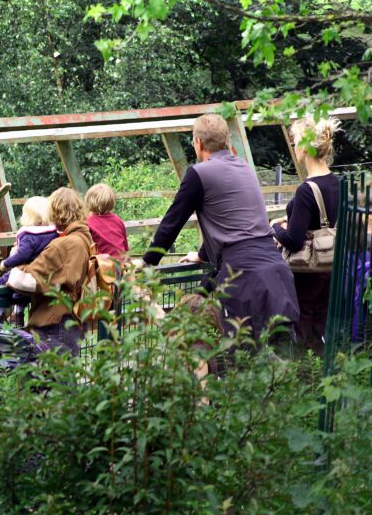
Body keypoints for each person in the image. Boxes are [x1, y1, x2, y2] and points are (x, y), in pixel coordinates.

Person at [140, 114, 300, 344]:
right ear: (227, 140)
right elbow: (234, 220)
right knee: (284, 360)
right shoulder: (244, 168)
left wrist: (148, 262)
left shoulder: (199, 173)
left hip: (244, 277)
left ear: (198, 143)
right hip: (276, 271)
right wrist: (203, 254)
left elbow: (172, 223)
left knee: (246, 359)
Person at [270, 117, 341, 355]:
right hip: (329, 268)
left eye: (295, 141)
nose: (294, 146)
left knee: (301, 331)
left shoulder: (306, 190)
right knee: (318, 330)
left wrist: (275, 228)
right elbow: (325, 222)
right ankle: (321, 380)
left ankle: (302, 382)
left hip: (306, 272)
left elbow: (293, 241)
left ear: (306, 147)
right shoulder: (336, 183)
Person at [9, 187, 95, 356]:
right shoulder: (84, 238)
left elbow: (25, 280)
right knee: (64, 379)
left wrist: (14, 260)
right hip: (70, 322)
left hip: (53, 325)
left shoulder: (64, 245)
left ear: (55, 212)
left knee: (46, 379)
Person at [0, 196, 60, 322]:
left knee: (1, 284)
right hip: (45, 274)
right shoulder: (53, 233)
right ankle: (18, 313)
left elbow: (23, 255)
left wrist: (5, 263)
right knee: (21, 292)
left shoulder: (29, 235)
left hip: (26, 271)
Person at [85, 183, 129, 258]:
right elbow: (125, 246)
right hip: (122, 264)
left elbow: (86, 248)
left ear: (89, 200)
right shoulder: (117, 220)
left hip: (104, 266)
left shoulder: (87, 222)